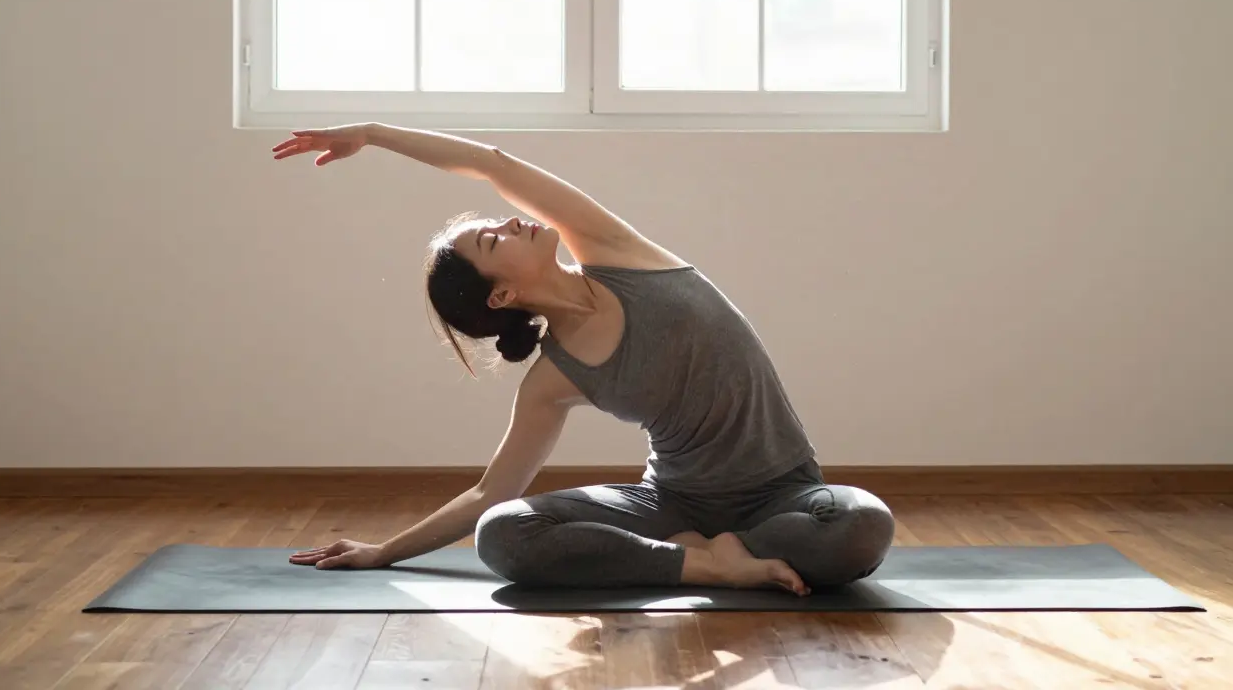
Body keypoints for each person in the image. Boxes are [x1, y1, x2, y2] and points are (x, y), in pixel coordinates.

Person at [273, 123, 895, 595]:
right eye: (495, 239)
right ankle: (705, 564)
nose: (511, 222)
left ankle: (715, 553)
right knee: (505, 533)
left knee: (861, 525)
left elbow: (492, 164)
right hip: (671, 505)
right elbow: (492, 492)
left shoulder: (615, 251)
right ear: (503, 295)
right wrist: (384, 552)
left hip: (784, 495)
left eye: (495, 223)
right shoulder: (554, 376)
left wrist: (372, 135)